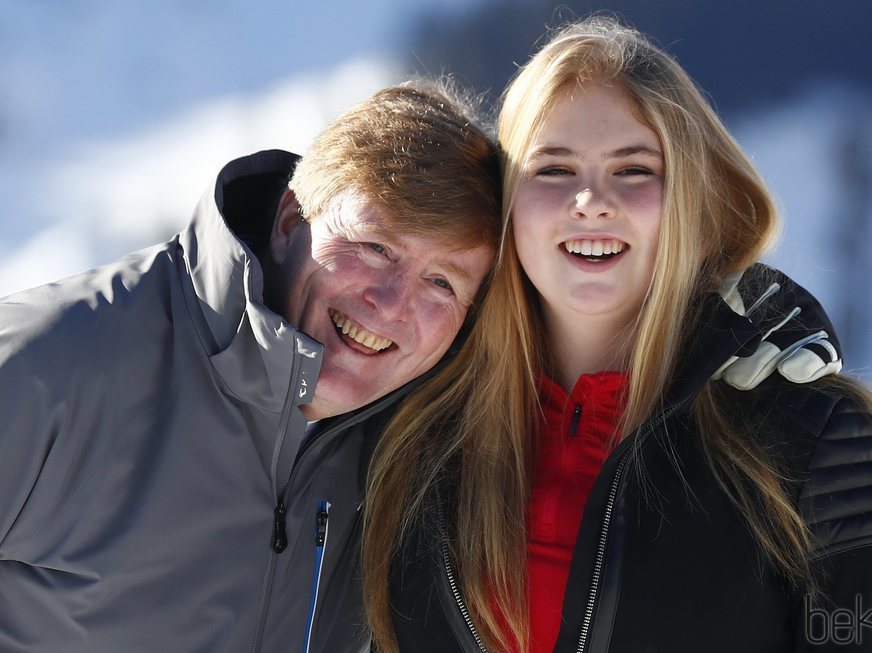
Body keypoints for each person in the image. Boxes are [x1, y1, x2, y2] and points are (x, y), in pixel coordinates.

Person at [362, 18, 872, 653]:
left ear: (689, 200)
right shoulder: (413, 428)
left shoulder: (814, 442)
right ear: (506, 203)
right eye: (554, 170)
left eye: (634, 169)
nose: (590, 200)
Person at [0, 81, 500, 653]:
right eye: (375, 246)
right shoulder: (49, 364)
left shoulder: (422, 455)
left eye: (441, 282)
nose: (390, 304)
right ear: (291, 220)